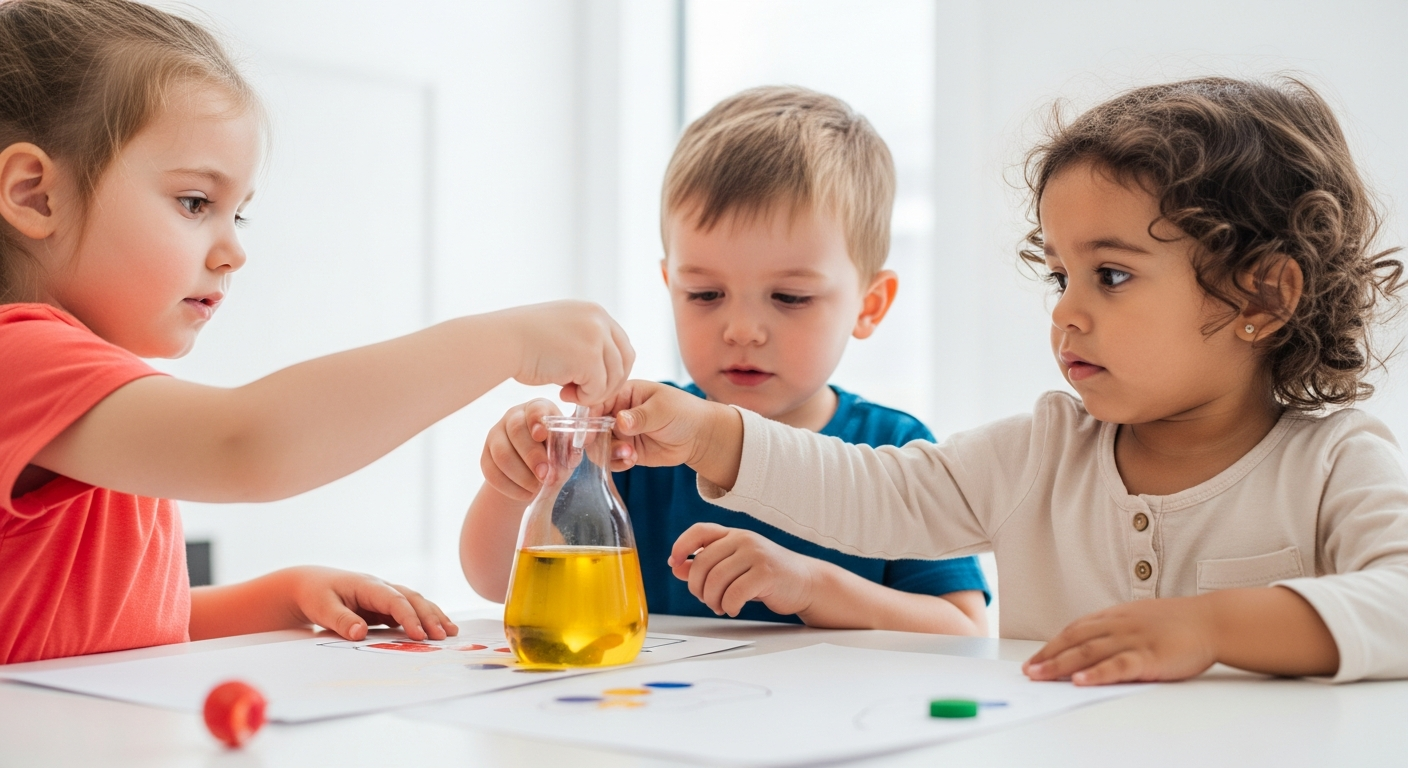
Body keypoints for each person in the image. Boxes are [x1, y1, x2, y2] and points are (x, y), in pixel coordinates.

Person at [605, 76, 1408, 684]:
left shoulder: (1334, 462)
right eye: (1061, 276)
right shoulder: (1039, 456)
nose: (1067, 312)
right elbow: (873, 492)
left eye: (1111, 276)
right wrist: (707, 432)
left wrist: (1212, 629)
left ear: (1262, 296)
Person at [0, 0, 633, 664]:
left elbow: (110, 625)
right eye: (195, 202)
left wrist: (282, 595)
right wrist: (508, 341)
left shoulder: (77, 393)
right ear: (34, 194)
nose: (233, 253)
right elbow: (247, 444)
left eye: (237, 216)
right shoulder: (19, 359)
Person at [461, 86, 989, 634]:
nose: (741, 331)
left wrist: (810, 586)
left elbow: (962, 630)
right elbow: (495, 580)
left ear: (869, 305)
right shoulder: (636, 439)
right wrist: (520, 482)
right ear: (670, 285)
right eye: (705, 294)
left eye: (790, 297)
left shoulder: (894, 450)